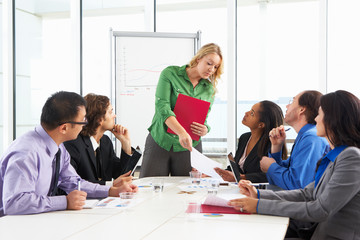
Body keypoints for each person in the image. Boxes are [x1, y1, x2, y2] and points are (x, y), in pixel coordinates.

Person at [228, 90, 360, 239]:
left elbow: (320, 208)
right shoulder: (337, 156)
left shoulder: (351, 157)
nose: (316, 118)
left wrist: (258, 205)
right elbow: (308, 193)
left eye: (320, 114)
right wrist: (258, 195)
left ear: (333, 119)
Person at [0, 91, 137, 216]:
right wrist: (64, 202)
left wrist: (110, 191)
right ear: (64, 128)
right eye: (83, 120)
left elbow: (73, 182)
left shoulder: (58, 147)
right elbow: (14, 203)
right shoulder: (26, 153)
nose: (85, 124)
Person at [140, 43, 224, 177]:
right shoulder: (170, 74)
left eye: (215, 67)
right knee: (150, 188)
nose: (212, 70)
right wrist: (181, 132)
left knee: (187, 193)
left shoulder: (209, 89)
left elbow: (204, 119)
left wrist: (206, 129)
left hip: (189, 146)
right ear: (198, 58)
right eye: (209, 63)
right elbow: (163, 108)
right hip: (160, 140)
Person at [64, 93, 140, 186]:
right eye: (111, 112)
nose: (114, 116)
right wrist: (110, 185)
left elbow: (120, 175)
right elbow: (73, 184)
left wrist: (126, 143)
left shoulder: (105, 141)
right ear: (99, 119)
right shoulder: (73, 144)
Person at [260, 90, 329, 189]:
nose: (287, 106)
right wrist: (276, 147)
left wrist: (271, 167)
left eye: (292, 102)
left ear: (302, 109)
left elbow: (298, 185)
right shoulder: (305, 136)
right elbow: (284, 176)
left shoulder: (311, 139)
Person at [214, 101, 287, 183]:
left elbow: (273, 174)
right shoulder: (244, 138)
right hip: (241, 188)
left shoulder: (272, 144)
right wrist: (216, 173)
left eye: (252, 113)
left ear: (261, 125)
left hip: (259, 190)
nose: (246, 113)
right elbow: (237, 168)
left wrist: (242, 177)